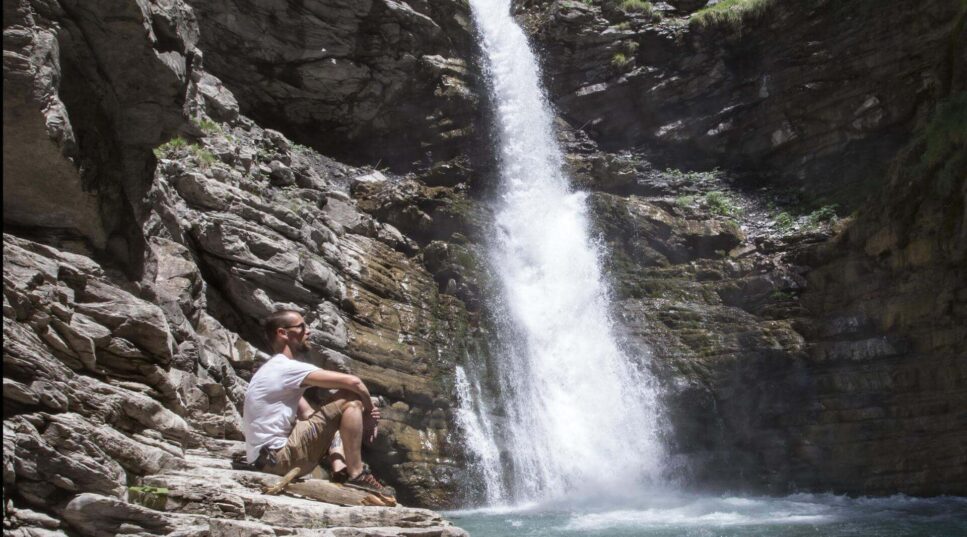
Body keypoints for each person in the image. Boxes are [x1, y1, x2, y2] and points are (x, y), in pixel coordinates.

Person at [242, 309, 392, 496]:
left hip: (265, 461)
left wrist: (336, 454)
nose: (309, 331)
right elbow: (354, 383)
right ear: (283, 333)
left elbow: (309, 416)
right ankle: (357, 474)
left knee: (339, 416)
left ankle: (339, 468)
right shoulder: (286, 367)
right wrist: (369, 412)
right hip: (279, 459)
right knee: (350, 397)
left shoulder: (270, 371)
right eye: (301, 326)